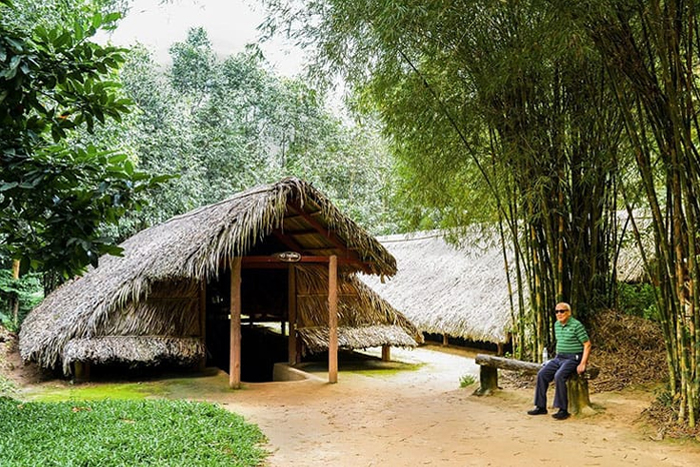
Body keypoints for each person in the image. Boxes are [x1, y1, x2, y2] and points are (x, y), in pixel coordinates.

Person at [527, 302, 591, 420]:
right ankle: (540, 407)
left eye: (562, 311)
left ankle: (563, 409)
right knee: (542, 374)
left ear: (569, 312)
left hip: (573, 358)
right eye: (557, 311)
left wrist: (583, 363)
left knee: (559, 375)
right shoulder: (556, 325)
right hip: (559, 357)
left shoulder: (576, 325)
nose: (559, 314)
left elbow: (587, 344)